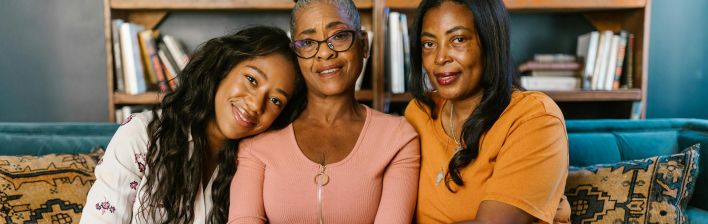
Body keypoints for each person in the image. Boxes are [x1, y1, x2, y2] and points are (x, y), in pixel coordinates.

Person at [80, 26, 305, 224]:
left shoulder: (255, 166)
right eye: (252, 80)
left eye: (276, 100)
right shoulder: (143, 135)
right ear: (223, 68)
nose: (256, 105)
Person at [227, 0, 420, 223]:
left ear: (364, 44)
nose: (325, 53)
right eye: (308, 42)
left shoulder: (398, 138)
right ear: (295, 55)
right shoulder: (257, 143)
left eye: (338, 36)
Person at [404, 0, 571, 223]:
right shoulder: (420, 113)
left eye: (458, 39)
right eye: (428, 44)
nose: (440, 58)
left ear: (490, 41)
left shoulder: (535, 117)